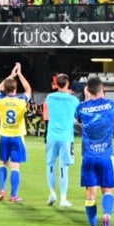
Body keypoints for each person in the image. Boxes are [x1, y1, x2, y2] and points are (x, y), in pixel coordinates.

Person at [76, 76, 114, 226]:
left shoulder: (81, 107)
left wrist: (87, 99)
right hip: (106, 155)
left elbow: (79, 121)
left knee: (90, 194)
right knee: (107, 190)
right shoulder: (111, 105)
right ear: (102, 89)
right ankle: (107, 214)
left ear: (87, 90)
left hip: (88, 156)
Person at [0, 64, 31, 202]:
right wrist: (20, 74)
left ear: (6, 88)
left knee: (2, 164)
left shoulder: (1, 101)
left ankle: (1, 190)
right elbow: (28, 89)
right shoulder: (21, 101)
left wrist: (11, 75)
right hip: (17, 137)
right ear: (15, 88)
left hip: (4, 136)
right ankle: (13, 195)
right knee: (15, 167)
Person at [44, 74, 80, 207]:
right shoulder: (73, 100)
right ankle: (63, 198)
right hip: (66, 137)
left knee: (50, 164)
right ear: (68, 84)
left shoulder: (50, 97)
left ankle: (52, 192)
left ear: (56, 84)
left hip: (52, 136)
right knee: (64, 166)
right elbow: (77, 116)